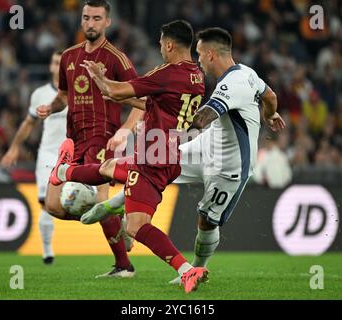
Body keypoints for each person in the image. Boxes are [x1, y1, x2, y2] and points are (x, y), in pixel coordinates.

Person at [63, 27, 286, 286]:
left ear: (211, 54)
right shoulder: (248, 73)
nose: (198, 59)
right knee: (155, 162)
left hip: (229, 166)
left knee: (206, 221)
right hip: (205, 145)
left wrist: (167, 121)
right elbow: (270, 96)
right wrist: (270, 114)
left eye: (200, 54)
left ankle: (196, 268)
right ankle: (116, 205)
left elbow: (203, 118)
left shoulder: (231, 84)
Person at [48, 20, 208, 293]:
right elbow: (150, 101)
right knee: (110, 166)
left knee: (136, 227)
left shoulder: (168, 73)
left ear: (169, 44)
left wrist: (99, 77)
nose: (159, 49)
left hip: (151, 160)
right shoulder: (196, 74)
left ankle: (186, 270)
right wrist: (120, 96)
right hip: (168, 156)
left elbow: (114, 90)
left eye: (160, 44)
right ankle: (63, 173)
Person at [36, 0, 144, 278]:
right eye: (86, 18)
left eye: (97, 18)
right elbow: (63, 95)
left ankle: (123, 266)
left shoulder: (117, 58)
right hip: (74, 139)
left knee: (100, 200)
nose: (90, 23)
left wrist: (125, 130)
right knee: (54, 207)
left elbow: (141, 100)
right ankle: (114, 221)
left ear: (108, 22)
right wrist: (50, 107)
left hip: (103, 138)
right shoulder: (69, 57)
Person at [0, 50, 66, 264]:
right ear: (50, 66)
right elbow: (29, 122)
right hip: (47, 152)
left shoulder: (79, 90)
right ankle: (47, 250)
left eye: (62, 62)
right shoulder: (40, 94)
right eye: (55, 62)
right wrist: (14, 147)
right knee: (46, 203)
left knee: (86, 199)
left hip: (75, 154)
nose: (58, 66)